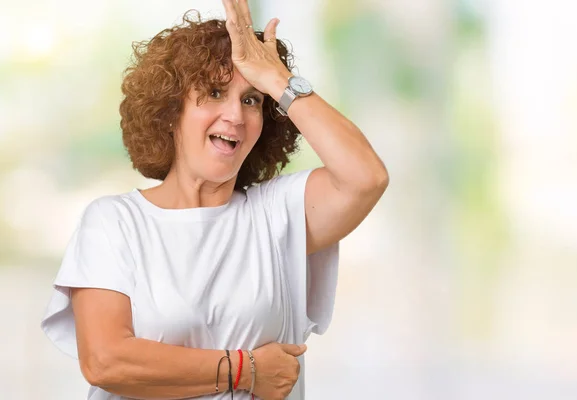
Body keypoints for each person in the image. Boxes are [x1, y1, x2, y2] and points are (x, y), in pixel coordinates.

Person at [41, 1, 388, 399]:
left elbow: (367, 177)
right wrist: (246, 370)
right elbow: (106, 361)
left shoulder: (278, 215)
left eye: (251, 99)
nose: (235, 117)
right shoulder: (114, 222)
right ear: (172, 111)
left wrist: (277, 79)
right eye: (215, 91)